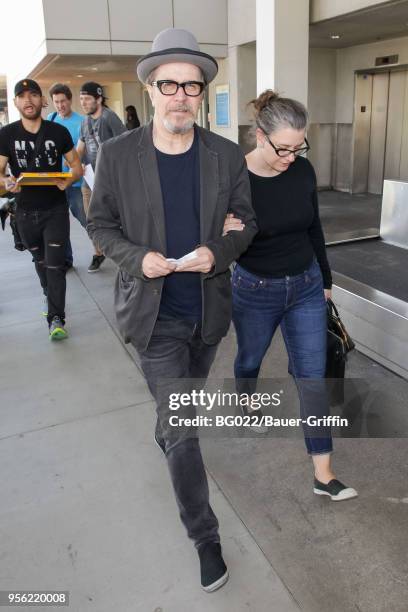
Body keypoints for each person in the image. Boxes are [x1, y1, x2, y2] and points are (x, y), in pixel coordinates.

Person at [87, 28, 257, 592]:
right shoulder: (116, 155)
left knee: (180, 406)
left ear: (202, 93)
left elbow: (245, 222)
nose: (180, 95)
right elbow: (101, 225)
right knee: (184, 426)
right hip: (153, 316)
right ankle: (205, 537)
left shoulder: (226, 155)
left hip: (207, 314)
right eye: (169, 84)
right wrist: (138, 259)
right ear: (151, 89)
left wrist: (220, 249)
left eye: (192, 85)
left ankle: (167, 423)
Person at [224, 90, 358, 502]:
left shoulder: (301, 170)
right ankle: (245, 396)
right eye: (282, 148)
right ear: (259, 137)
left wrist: (326, 279)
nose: (290, 157)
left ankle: (323, 472)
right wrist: (224, 233)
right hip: (255, 289)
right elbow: (216, 238)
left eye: (298, 147)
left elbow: (313, 226)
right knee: (249, 358)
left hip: (305, 285)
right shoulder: (233, 179)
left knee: (311, 378)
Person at [0, 79, 82, 339]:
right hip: (24, 213)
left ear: (41, 100)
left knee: (56, 266)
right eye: (22, 96)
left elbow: (76, 167)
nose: (28, 100)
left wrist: (67, 181)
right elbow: (0, 174)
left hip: (55, 210)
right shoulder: (6, 135)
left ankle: (56, 317)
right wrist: (7, 183)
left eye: (33, 95)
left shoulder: (57, 132)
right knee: (41, 262)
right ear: (15, 102)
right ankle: (50, 297)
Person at [77, 81, 126, 272]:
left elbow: (125, 146)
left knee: (117, 220)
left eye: (87, 98)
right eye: (81, 99)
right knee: (92, 220)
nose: (83, 102)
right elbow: (80, 149)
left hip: (110, 182)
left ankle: (122, 252)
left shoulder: (109, 118)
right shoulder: (85, 122)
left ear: (98, 98)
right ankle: (98, 253)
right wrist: (74, 163)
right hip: (89, 181)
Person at [48, 82, 86, 269]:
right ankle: (66, 260)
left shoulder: (81, 122)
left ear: (70, 100)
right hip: (56, 181)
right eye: (56, 101)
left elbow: (83, 151)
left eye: (63, 101)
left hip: (76, 182)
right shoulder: (51, 118)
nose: (60, 105)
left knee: (87, 220)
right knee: (59, 224)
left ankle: (104, 249)